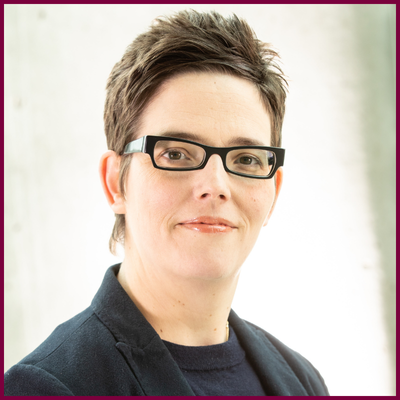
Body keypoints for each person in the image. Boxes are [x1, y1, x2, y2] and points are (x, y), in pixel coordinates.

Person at [4, 10, 329, 396]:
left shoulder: (303, 381)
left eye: (245, 159)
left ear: (272, 191)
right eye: (176, 154)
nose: (216, 186)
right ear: (115, 184)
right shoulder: (46, 387)